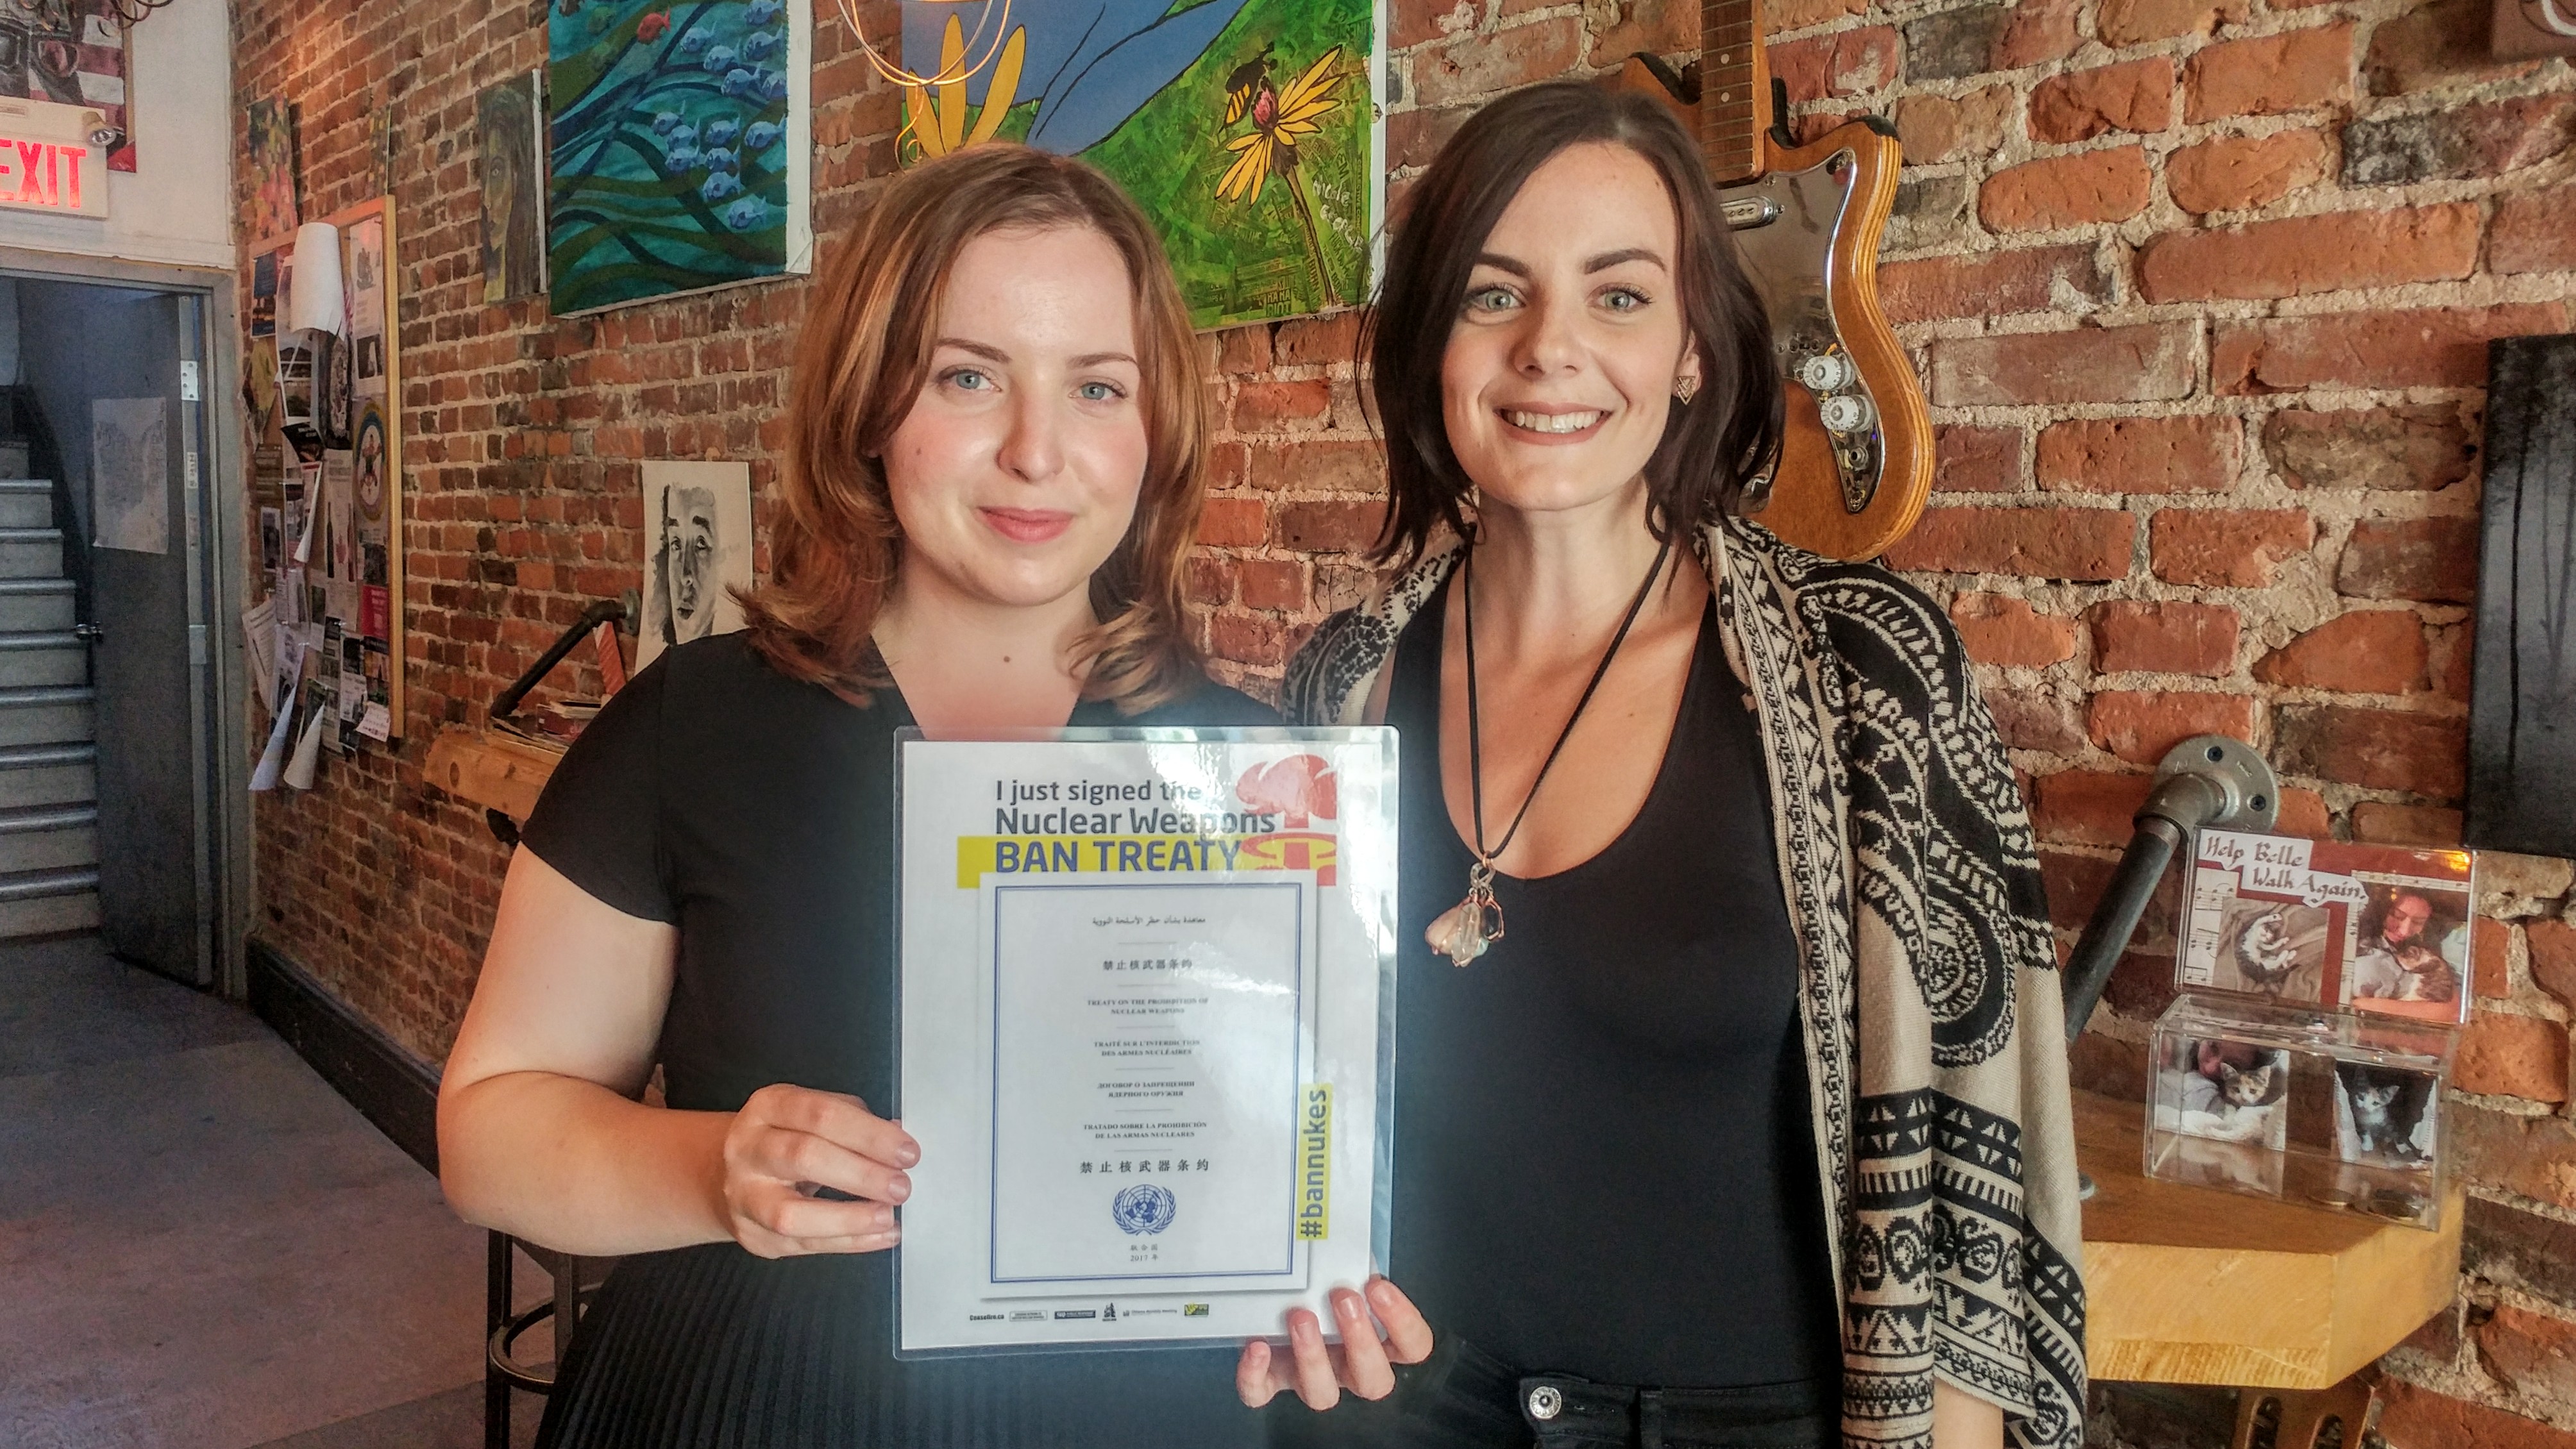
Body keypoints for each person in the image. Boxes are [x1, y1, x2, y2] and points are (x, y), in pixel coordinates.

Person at [1261, 83, 2085, 1449]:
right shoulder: (1333, 684)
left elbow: (1971, 1201)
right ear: (1426, 344)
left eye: (1620, 297)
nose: (1549, 350)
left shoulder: (1859, 674)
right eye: (1489, 294)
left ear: (1695, 348)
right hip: (1390, 1411)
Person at [436, 143, 1274, 1448]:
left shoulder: (1257, 781)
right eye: (967, 376)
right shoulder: (694, 723)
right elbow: (488, 1126)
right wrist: (709, 1173)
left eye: (1096, 386)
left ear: (1153, 428)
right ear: (870, 405)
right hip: (752, 1400)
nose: (1036, 450)